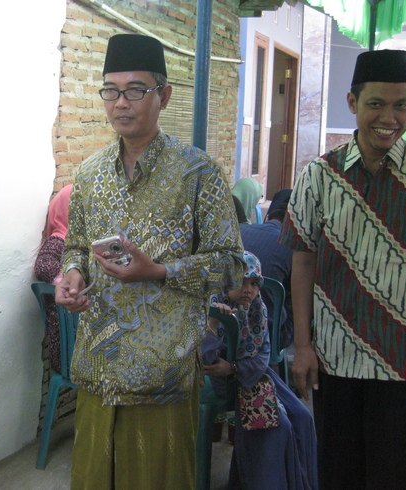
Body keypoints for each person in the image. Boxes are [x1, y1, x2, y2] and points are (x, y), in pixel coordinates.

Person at [55, 33, 245, 489]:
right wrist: (73, 274)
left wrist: (159, 272)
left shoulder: (199, 173)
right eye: (111, 90)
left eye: (135, 90)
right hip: (99, 367)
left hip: (163, 374)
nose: (121, 103)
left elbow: (232, 265)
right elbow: (75, 244)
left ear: (164, 95)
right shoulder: (89, 173)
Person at [280, 50, 406, 489]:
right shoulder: (319, 175)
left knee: (402, 476)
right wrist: (303, 346)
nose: (389, 118)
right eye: (376, 104)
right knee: (339, 475)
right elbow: (302, 260)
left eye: (401, 105)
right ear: (353, 102)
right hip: (334, 361)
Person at [203, 251, 317, 489]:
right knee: (278, 426)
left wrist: (234, 367)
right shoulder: (212, 306)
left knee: (303, 417)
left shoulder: (257, 307)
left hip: (253, 373)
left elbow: (263, 353)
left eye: (254, 283)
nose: (248, 290)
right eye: (241, 281)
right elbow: (207, 362)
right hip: (227, 382)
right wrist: (213, 324)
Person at [33, 184, 76, 431]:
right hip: (68, 351)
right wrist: (66, 284)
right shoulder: (59, 239)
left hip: (76, 345)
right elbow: (43, 266)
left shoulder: (75, 241)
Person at [240, 189, 294, 351]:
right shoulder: (295, 248)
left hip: (226, 327)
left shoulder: (239, 230)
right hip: (269, 335)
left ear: (267, 217)